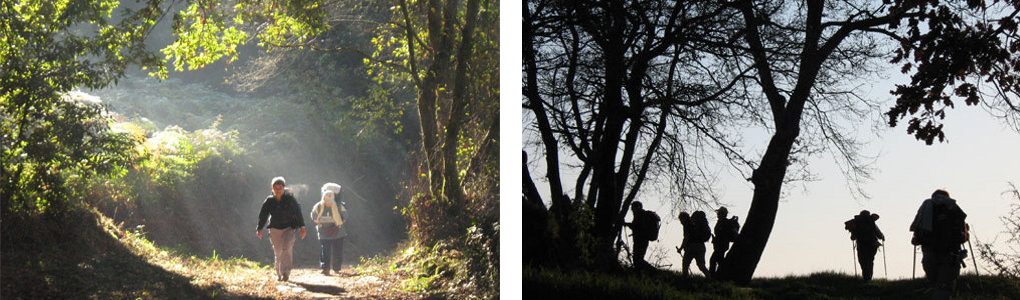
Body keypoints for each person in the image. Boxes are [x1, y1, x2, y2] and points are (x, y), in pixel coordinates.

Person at [910, 189, 968, 300]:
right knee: (944, 286)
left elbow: (916, 232)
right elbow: (962, 235)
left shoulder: (926, 208)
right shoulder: (953, 208)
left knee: (935, 283)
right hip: (950, 254)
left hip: (929, 254)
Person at [256, 176, 307, 282]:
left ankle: (285, 272)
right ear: (272, 188)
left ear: (284, 188)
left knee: (286, 248)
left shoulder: (290, 199)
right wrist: (259, 228)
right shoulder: (269, 201)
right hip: (275, 229)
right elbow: (263, 215)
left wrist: (302, 227)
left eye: (280, 188)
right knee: (278, 251)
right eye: (276, 188)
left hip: (289, 228)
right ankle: (279, 272)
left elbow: (298, 212)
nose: (278, 190)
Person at [311, 183, 349, 275]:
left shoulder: (339, 206)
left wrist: (338, 224)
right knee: (325, 250)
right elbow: (314, 216)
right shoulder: (318, 206)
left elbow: (345, 216)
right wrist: (320, 223)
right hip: (324, 232)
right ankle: (325, 268)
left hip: (338, 231)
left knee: (337, 250)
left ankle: (336, 268)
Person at [847, 210, 885, 281]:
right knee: (870, 261)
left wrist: (853, 236)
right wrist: (882, 236)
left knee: (863, 261)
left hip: (861, 245)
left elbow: (853, 237)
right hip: (872, 245)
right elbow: (879, 235)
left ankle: (866, 277)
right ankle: (869, 277)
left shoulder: (857, 222)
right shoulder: (871, 222)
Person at [676, 211, 711, 277]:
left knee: (685, 264)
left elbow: (686, 238)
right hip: (701, 246)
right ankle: (710, 278)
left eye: (680, 220)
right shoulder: (694, 223)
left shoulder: (687, 225)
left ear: (683, 218)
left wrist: (681, 248)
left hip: (691, 247)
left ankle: (685, 279)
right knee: (701, 265)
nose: (681, 222)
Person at [623, 201, 654, 270]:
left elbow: (637, 226)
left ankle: (653, 271)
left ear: (637, 207)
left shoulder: (640, 215)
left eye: (633, 207)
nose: (631, 209)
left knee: (638, 260)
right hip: (641, 240)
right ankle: (642, 273)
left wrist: (627, 224)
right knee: (637, 259)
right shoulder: (640, 215)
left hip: (641, 240)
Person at [710, 207, 740, 276]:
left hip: (722, 245)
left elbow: (723, 234)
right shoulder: (722, 222)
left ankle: (712, 277)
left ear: (723, 214)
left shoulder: (725, 222)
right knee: (720, 261)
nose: (718, 214)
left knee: (713, 260)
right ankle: (723, 276)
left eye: (719, 213)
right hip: (720, 245)